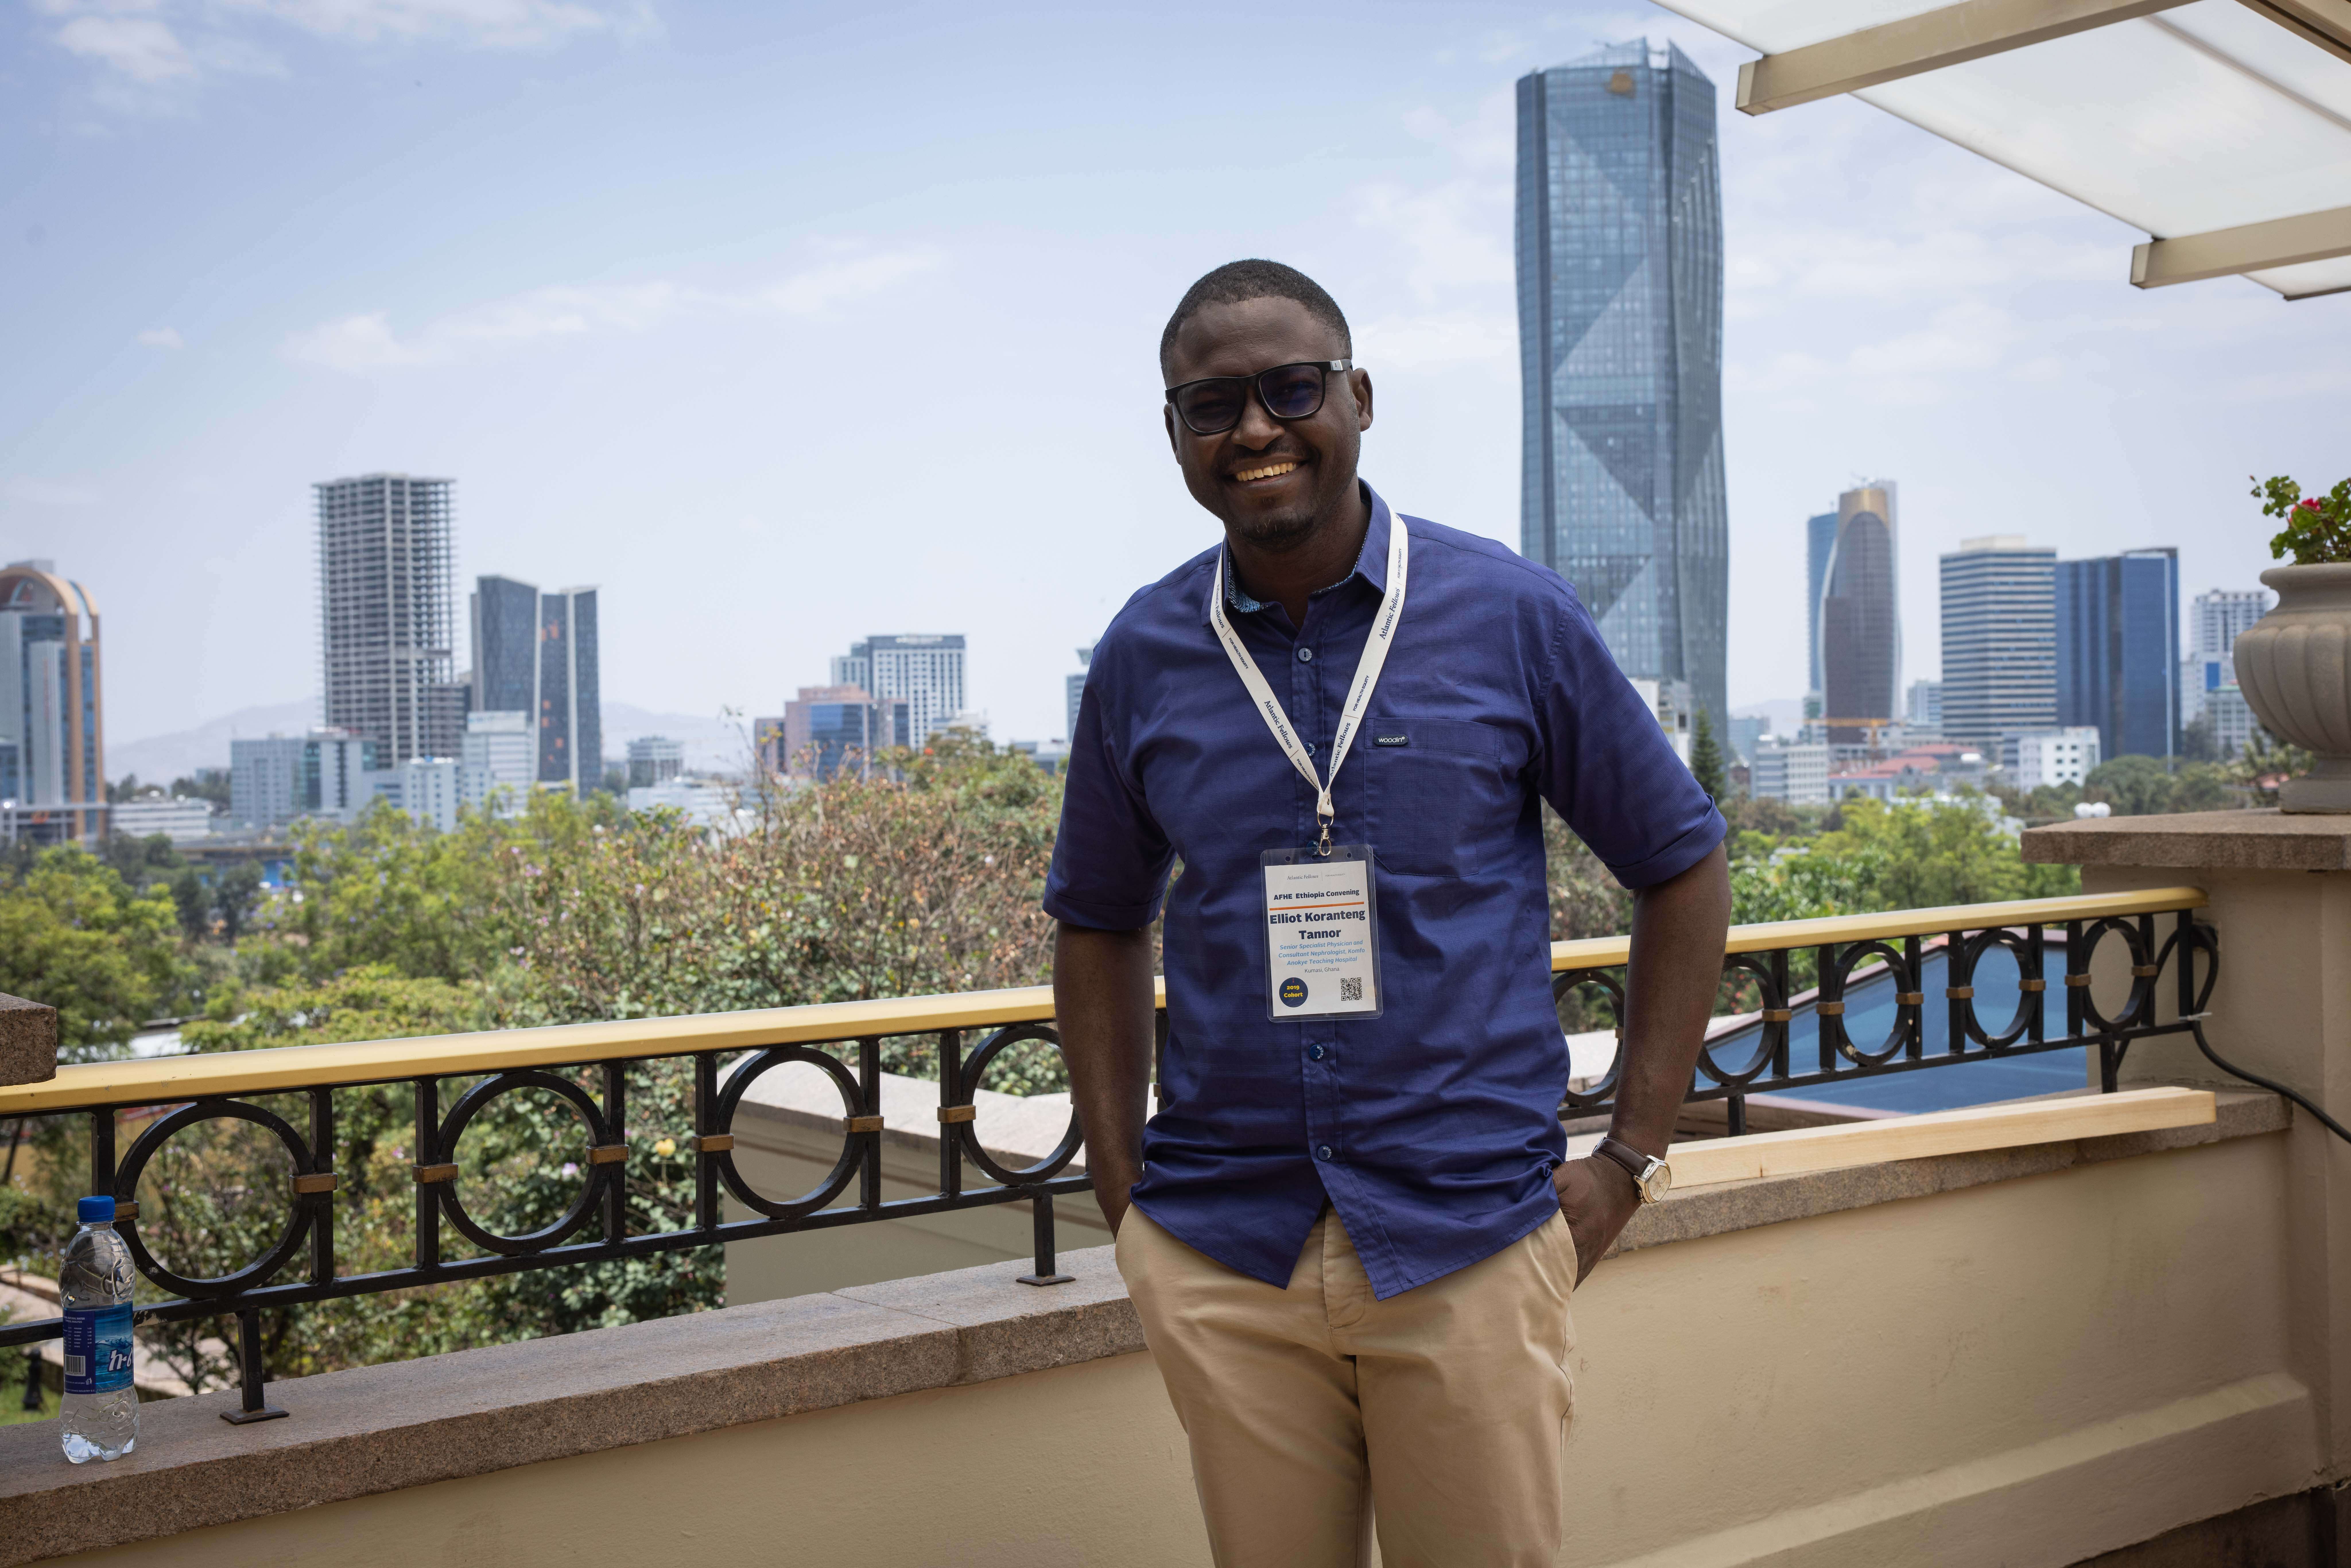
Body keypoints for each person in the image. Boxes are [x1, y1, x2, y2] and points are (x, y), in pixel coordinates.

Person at [1045, 258, 1733, 1568]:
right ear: (1176, 438)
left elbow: (1680, 862)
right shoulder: (1144, 650)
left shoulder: (1507, 615)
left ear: (1355, 398)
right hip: (1221, 1247)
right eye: (1209, 406)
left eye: (1288, 390)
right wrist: (1116, 1175)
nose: (1252, 429)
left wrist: (1632, 1154)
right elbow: (1094, 916)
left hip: (1466, 1234)